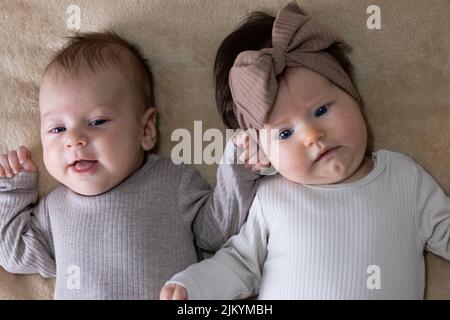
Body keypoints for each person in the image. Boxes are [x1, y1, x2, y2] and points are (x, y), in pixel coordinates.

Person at [160, 1, 450, 299]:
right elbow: (239, 263)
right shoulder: (272, 196)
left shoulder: (402, 178)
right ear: (262, 151)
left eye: (322, 109)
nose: (312, 135)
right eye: (285, 133)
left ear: (354, 96)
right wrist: (193, 286)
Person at [0, 32, 264, 299]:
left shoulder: (172, 183)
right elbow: (14, 255)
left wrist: (239, 166)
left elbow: (217, 230)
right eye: (57, 128)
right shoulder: (54, 210)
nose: (74, 140)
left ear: (146, 129)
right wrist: (13, 192)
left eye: (96, 122)